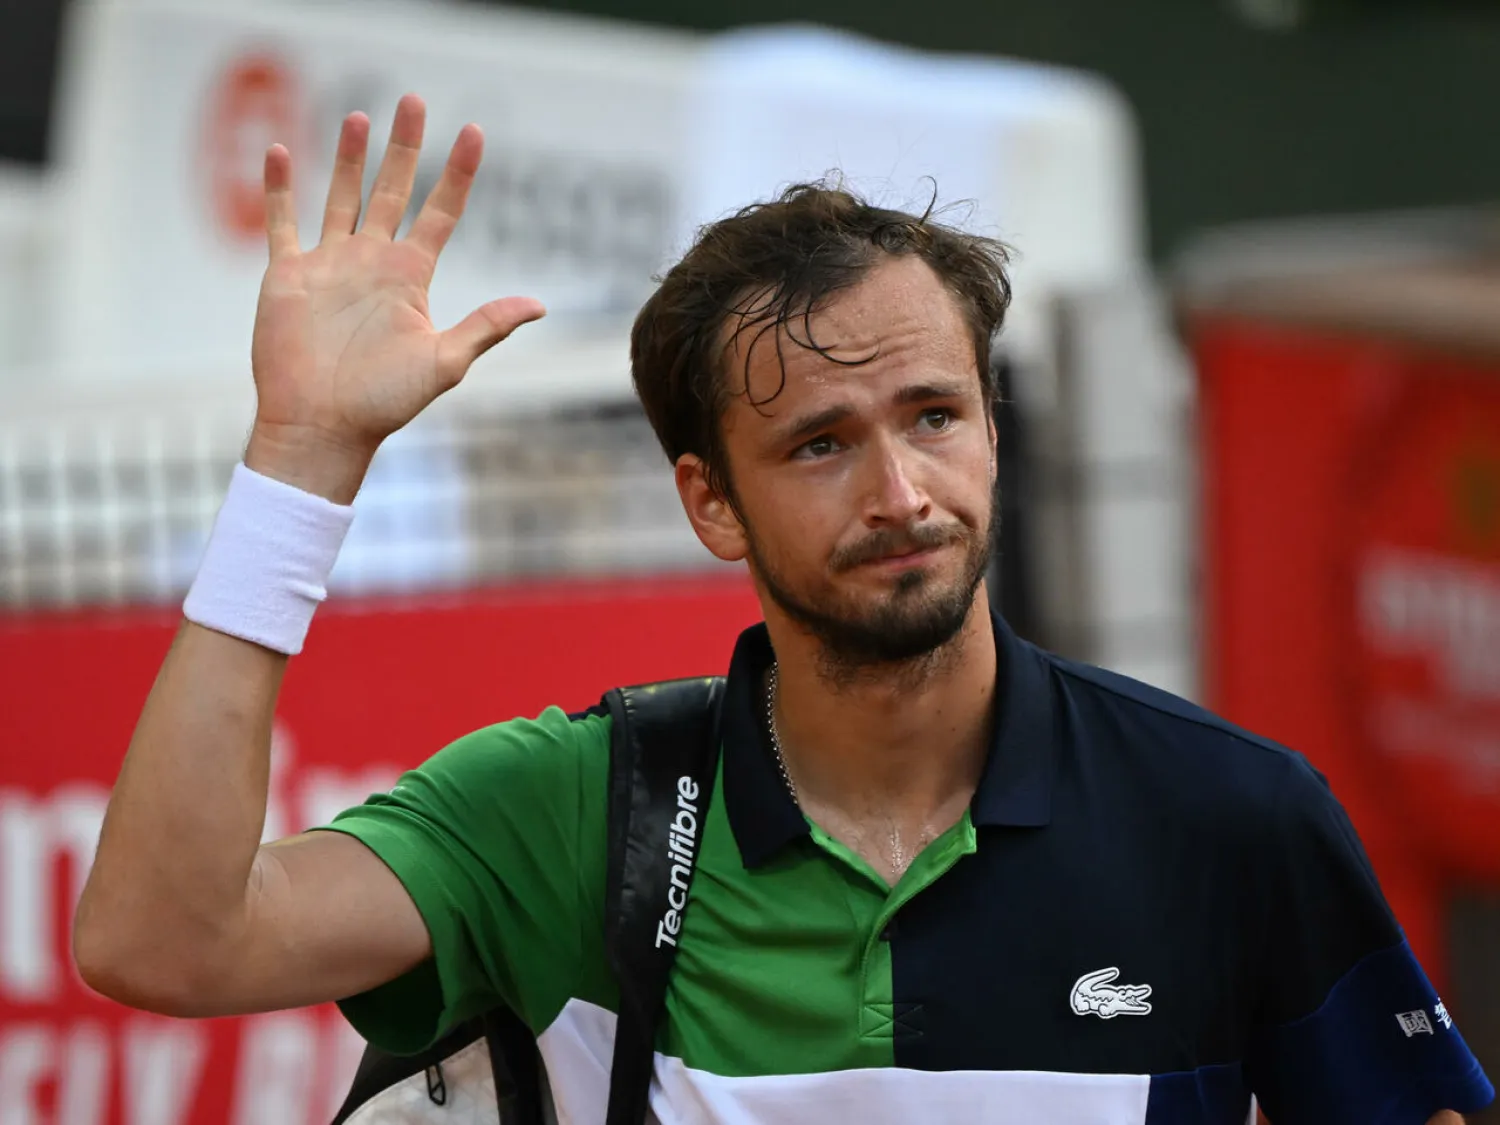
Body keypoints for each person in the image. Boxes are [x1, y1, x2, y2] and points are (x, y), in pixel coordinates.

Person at [74, 95, 1492, 1125]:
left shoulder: (1229, 818)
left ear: (993, 431)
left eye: (935, 415)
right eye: (819, 444)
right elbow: (165, 940)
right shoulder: (571, 811)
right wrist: (302, 467)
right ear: (710, 503)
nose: (900, 488)